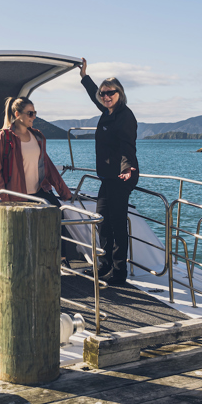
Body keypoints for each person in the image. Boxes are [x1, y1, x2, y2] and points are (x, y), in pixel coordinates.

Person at [0, 97, 75, 264]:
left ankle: (61, 259)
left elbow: (48, 166)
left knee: (58, 215)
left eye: (34, 113)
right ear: (17, 114)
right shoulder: (5, 137)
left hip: (39, 191)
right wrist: (3, 199)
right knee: (23, 233)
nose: (34, 117)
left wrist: (64, 192)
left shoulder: (37, 136)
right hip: (16, 195)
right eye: (30, 113)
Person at [79, 59, 138, 285]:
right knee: (103, 221)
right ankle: (104, 265)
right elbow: (94, 93)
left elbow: (127, 146)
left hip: (123, 176)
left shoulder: (125, 116)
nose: (105, 96)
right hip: (108, 177)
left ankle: (119, 271)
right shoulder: (107, 110)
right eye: (103, 94)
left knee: (116, 222)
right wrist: (84, 77)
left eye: (110, 93)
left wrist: (126, 169)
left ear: (119, 93)